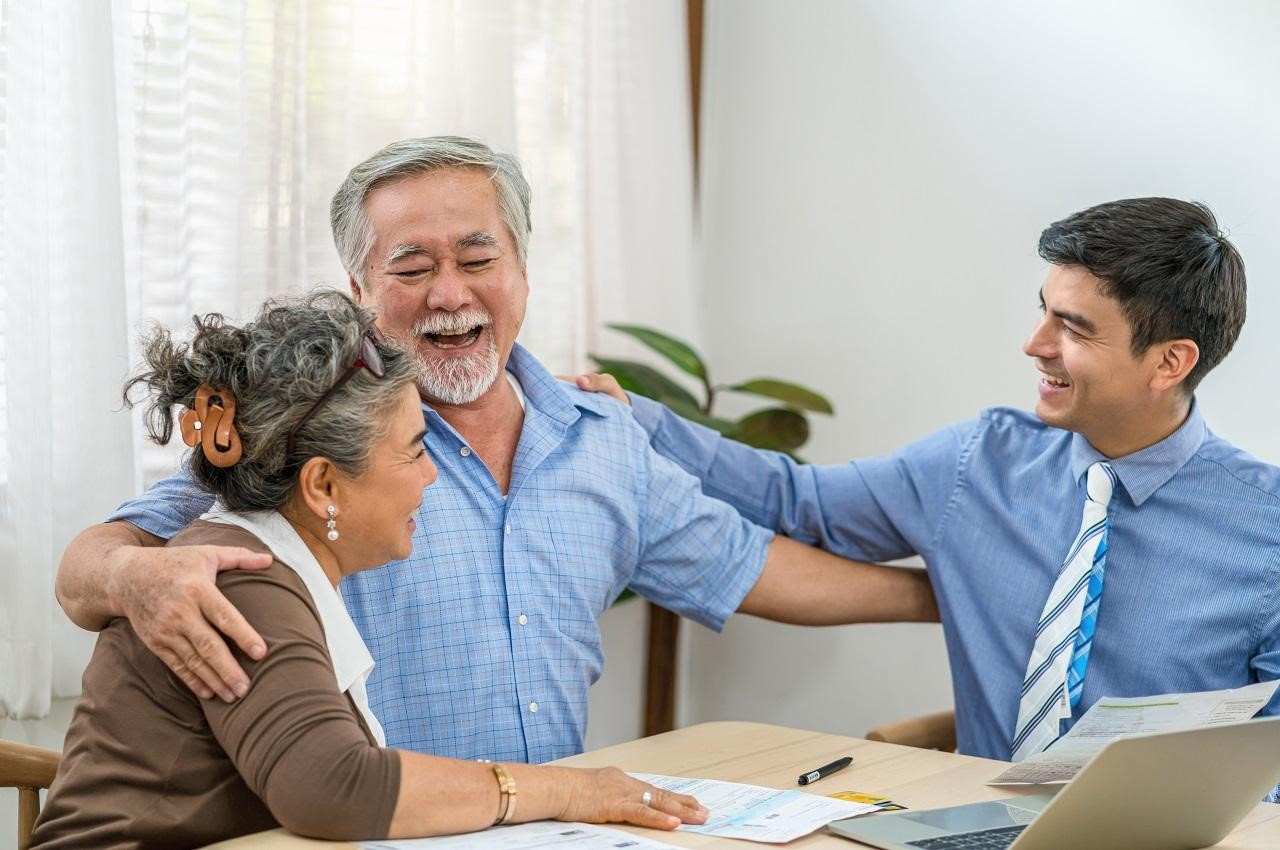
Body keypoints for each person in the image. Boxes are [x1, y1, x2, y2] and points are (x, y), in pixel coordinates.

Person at [53, 137, 939, 765]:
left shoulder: (603, 441)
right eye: (410, 268)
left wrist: (956, 596)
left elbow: (753, 568)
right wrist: (137, 579)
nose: (450, 294)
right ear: (358, 292)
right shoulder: (303, 432)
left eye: (478, 257)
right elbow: (88, 567)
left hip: (554, 829)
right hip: (360, 828)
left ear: (522, 267)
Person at [580, 197, 1280, 767]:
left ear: (1169, 363)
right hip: (976, 826)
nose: (1035, 344)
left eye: (1072, 327)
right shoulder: (981, 463)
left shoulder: (1266, 529)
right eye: (1043, 310)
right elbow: (798, 503)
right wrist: (638, 420)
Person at [30, 293, 709, 849]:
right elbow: (333, 787)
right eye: (414, 451)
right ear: (324, 485)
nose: (432, 476)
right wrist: (568, 789)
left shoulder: (269, 563)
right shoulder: (243, 577)